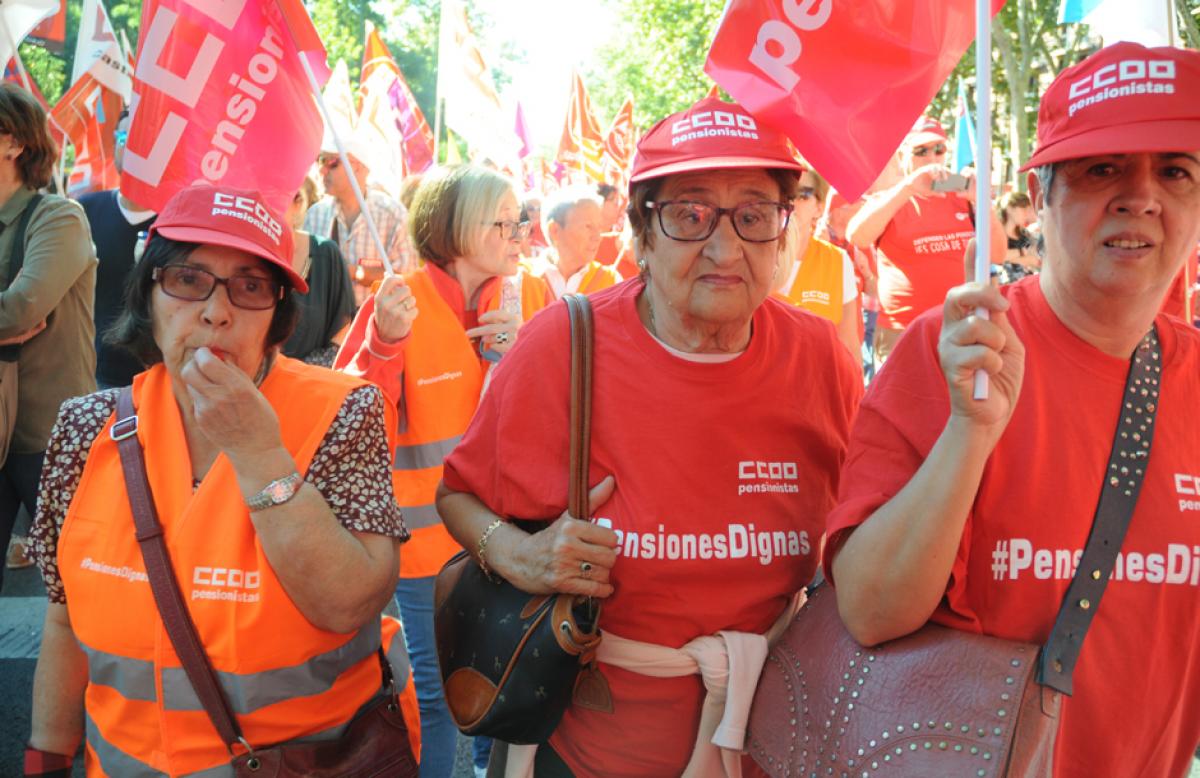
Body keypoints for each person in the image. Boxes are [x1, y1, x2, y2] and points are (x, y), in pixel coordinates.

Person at [436, 97, 862, 777]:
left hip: (769, 740)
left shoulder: (818, 358)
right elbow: (458, 496)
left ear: (782, 234)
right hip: (590, 750)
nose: (725, 249)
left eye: (752, 216)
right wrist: (521, 555)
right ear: (640, 236)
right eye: (690, 215)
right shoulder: (563, 345)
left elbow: (856, 547)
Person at [826, 42, 1200, 778]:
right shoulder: (954, 348)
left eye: (1176, 170)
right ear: (1039, 198)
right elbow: (869, 610)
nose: (1141, 195)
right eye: (1103, 167)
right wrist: (970, 436)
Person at [25, 185, 416, 775]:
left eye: (250, 286)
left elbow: (350, 602)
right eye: (187, 280)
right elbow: (62, 619)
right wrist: (47, 755)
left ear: (279, 316)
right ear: (148, 295)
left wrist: (258, 449)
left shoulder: (344, 411)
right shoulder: (85, 429)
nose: (215, 311)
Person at [334, 164, 551, 778]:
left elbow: (568, 420)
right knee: (437, 701)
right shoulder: (398, 302)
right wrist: (384, 344)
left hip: (517, 543)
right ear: (454, 229)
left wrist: (530, 350)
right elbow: (353, 428)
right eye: (502, 221)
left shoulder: (534, 297)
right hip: (428, 551)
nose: (518, 234)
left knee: (503, 694)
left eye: (520, 220)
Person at [0, 83, 96, 595]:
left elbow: (22, 308)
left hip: (47, 435)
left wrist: (10, 318)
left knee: (76, 588)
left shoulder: (58, 216)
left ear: (13, 143)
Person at [847, 115, 1005, 361]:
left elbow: (997, 254)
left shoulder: (964, 195)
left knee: (961, 400)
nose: (932, 159)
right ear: (902, 158)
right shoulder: (893, 198)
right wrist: (908, 187)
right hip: (904, 328)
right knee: (904, 400)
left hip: (964, 325)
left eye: (938, 149)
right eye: (921, 151)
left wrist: (982, 202)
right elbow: (857, 236)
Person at [78, 106, 155, 390]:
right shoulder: (83, 211)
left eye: (143, 140)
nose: (132, 148)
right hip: (89, 375)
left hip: (154, 381)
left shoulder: (177, 223)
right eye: (125, 137)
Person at [305, 138, 416, 305]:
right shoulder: (315, 215)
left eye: (330, 162)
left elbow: (406, 278)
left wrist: (352, 272)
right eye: (319, 161)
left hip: (373, 324)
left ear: (356, 167)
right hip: (324, 324)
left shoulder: (393, 215)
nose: (322, 170)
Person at [774, 169, 861, 360]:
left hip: (815, 381)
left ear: (819, 207)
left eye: (802, 195)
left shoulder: (837, 260)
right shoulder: (751, 256)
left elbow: (849, 343)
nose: (791, 203)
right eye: (784, 193)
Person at [282, 176, 356, 366]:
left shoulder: (326, 254)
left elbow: (341, 334)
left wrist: (296, 375)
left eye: (277, 198)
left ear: (297, 202)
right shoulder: (242, 257)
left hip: (308, 389)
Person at [531, 185, 622, 298]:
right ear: (555, 230)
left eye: (599, 228)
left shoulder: (611, 283)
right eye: (588, 227)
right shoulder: (522, 280)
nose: (597, 237)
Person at [997, 190, 1040, 283]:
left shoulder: (1024, 234)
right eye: (1023, 209)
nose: (1027, 214)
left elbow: (1035, 259)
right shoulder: (995, 233)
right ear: (1009, 208)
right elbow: (994, 256)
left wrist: (1008, 257)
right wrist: (1022, 252)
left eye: (1028, 210)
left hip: (1026, 286)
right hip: (1004, 288)